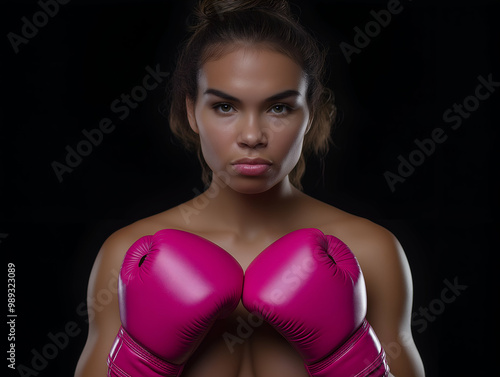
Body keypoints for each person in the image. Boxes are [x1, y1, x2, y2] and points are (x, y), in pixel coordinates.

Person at [74, 0, 426, 376]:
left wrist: (346, 358)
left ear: (310, 114)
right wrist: (144, 361)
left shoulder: (370, 251)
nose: (253, 136)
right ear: (192, 111)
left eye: (279, 108)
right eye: (226, 107)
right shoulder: (129, 254)